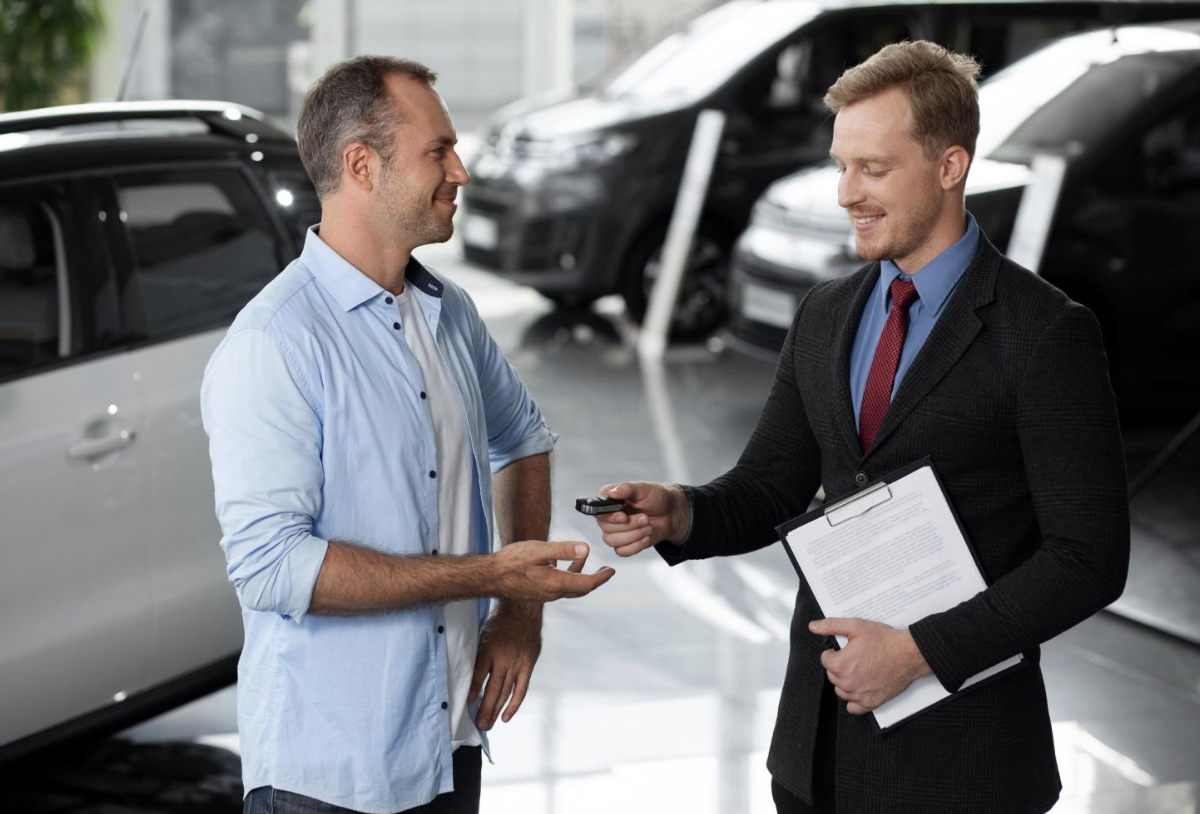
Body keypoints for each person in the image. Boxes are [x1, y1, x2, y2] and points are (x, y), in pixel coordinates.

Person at [593, 41, 1128, 814]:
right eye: (841, 166)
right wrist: (683, 511)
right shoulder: (826, 315)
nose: (847, 193)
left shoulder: (1045, 332)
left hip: (966, 766)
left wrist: (917, 654)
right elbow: (770, 484)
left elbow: (1088, 558)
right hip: (817, 754)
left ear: (950, 166)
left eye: (873, 169)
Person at [201, 56, 614, 814]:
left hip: (449, 745)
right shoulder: (275, 342)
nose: (461, 169)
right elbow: (271, 568)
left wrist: (518, 617)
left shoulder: (448, 311)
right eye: (438, 151)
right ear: (362, 165)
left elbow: (523, 437)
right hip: (327, 777)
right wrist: (491, 576)